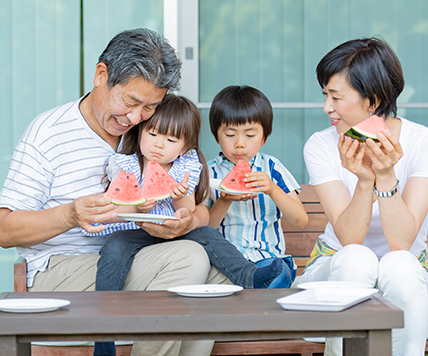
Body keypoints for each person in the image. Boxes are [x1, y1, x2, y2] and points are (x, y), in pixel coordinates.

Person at [0, 28, 227, 356]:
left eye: (150, 107)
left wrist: (186, 221)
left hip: (140, 253)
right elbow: (5, 229)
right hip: (63, 267)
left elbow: (199, 209)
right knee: (191, 258)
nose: (135, 117)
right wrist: (70, 215)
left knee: (220, 278)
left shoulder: (152, 133)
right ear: (101, 75)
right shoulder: (48, 133)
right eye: (131, 101)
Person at [89, 93, 282, 356]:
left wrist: (181, 200)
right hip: (133, 233)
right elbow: (116, 208)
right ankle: (103, 334)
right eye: (153, 134)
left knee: (205, 233)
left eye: (170, 140)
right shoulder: (125, 165)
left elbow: (187, 213)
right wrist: (138, 207)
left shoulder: (185, 167)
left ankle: (249, 275)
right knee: (113, 247)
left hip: (173, 235)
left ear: (184, 147)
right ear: (140, 132)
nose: (159, 145)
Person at [302, 37, 428, 356]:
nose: (327, 107)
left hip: (408, 272)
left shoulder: (426, 142)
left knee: (400, 264)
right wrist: (364, 182)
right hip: (334, 266)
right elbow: (351, 238)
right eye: (325, 95)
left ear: (374, 99)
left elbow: (401, 243)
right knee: (356, 257)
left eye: (336, 97)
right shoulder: (320, 145)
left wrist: (385, 175)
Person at [205, 85, 308, 288]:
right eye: (230, 134)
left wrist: (272, 189)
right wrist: (225, 199)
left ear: (264, 137)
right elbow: (205, 229)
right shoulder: (208, 173)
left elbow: (300, 220)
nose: (240, 143)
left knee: (280, 272)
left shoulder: (273, 168)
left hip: (268, 260)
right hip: (225, 264)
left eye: (250, 135)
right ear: (216, 136)